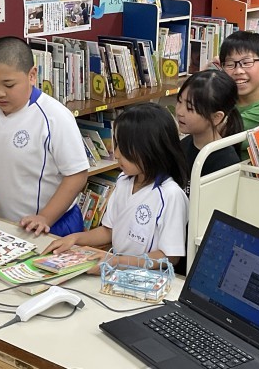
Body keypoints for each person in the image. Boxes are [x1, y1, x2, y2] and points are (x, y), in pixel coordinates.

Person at [0, 36, 89, 237]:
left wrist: (45, 217)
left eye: (9, 85)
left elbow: (77, 175)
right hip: (0, 223)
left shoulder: (55, 117)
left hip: (51, 224)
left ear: (32, 75)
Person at [43, 102, 189, 273]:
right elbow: (109, 231)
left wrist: (118, 261)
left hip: (148, 279)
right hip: (118, 272)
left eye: (124, 148)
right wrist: (74, 239)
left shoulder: (171, 195)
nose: (117, 154)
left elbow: (169, 257)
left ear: (151, 150)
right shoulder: (123, 181)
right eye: (117, 144)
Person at [176, 70, 243, 196]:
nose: (179, 112)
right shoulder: (183, 145)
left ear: (216, 117)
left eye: (190, 108)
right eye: (179, 101)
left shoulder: (226, 162)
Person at [219, 31, 259, 159]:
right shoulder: (226, 100)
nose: (238, 71)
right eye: (230, 64)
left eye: (246, 62)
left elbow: (216, 133)